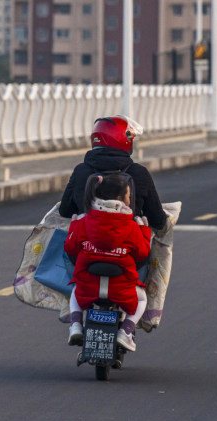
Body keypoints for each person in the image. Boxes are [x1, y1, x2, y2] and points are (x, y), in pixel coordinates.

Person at [64, 173, 151, 352]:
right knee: (142, 299)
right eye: (128, 195)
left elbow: (71, 248)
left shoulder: (84, 221)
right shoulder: (131, 226)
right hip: (122, 290)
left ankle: (75, 325)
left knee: (74, 289)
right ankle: (125, 332)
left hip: (88, 287)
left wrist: (73, 226)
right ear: (120, 199)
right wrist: (144, 229)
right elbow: (143, 253)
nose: (130, 199)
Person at [59, 115, 167, 231]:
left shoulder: (80, 171)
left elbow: (65, 211)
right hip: (130, 243)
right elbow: (157, 220)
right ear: (123, 139)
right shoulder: (139, 172)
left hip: (87, 243)